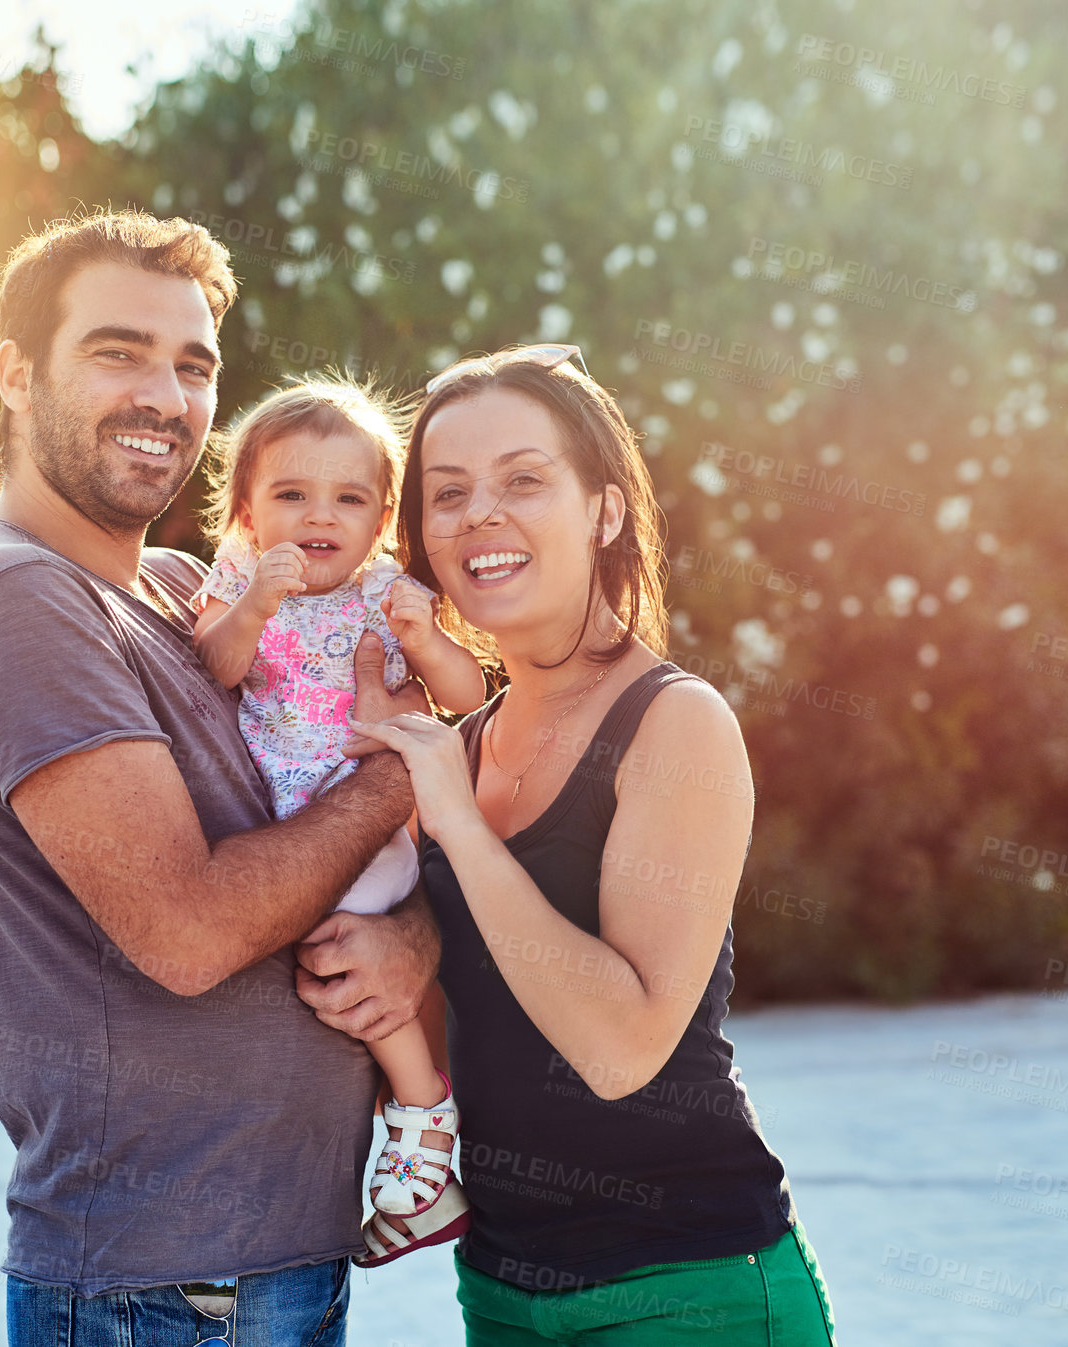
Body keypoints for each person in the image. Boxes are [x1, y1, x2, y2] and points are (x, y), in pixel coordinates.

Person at [0, 210, 439, 1347]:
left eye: (191, 365)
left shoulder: (172, 587)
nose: (165, 397)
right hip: (165, 1289)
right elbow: (191, 931)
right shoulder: (23, 601)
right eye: (117, 351)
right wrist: (402, 774)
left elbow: (317, 835)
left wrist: (412, 939)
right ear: (15, 372)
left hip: (258, 1264)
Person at [296, 344, 838, 1342]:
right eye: (446, 492)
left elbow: (621, 1047)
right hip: (502, 1290)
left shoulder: (675, 726)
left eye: (523, 480)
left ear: (605, 510)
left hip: (690, 1288)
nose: (478, 516)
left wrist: (456, 823)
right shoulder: (453, 746)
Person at [191, 375, 486, 1260]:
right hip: (287, 822)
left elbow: (471, 700)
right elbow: (215, 665)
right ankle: (401, 1145)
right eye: (290, 494)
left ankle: (422, 1106)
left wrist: (427, 639)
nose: (320, 516)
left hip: (360, 833)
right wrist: (253, 605)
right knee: (308, 972)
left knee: (327, 944)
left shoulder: (386, 593)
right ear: (246, 509)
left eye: (349, 498)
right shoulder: (237, 579)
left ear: (382, 515)